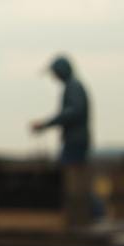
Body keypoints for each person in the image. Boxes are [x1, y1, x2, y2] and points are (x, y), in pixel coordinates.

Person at [30, 55, 99, 220]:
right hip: (77, 140)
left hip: (75, 142)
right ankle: (93, 213)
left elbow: (74, 112)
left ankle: (96, 213)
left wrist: (47, 124)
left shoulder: (73, 87)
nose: (54, 76)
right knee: (75, 180)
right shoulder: (73, 86)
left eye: (54, 72)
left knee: (69, 179)